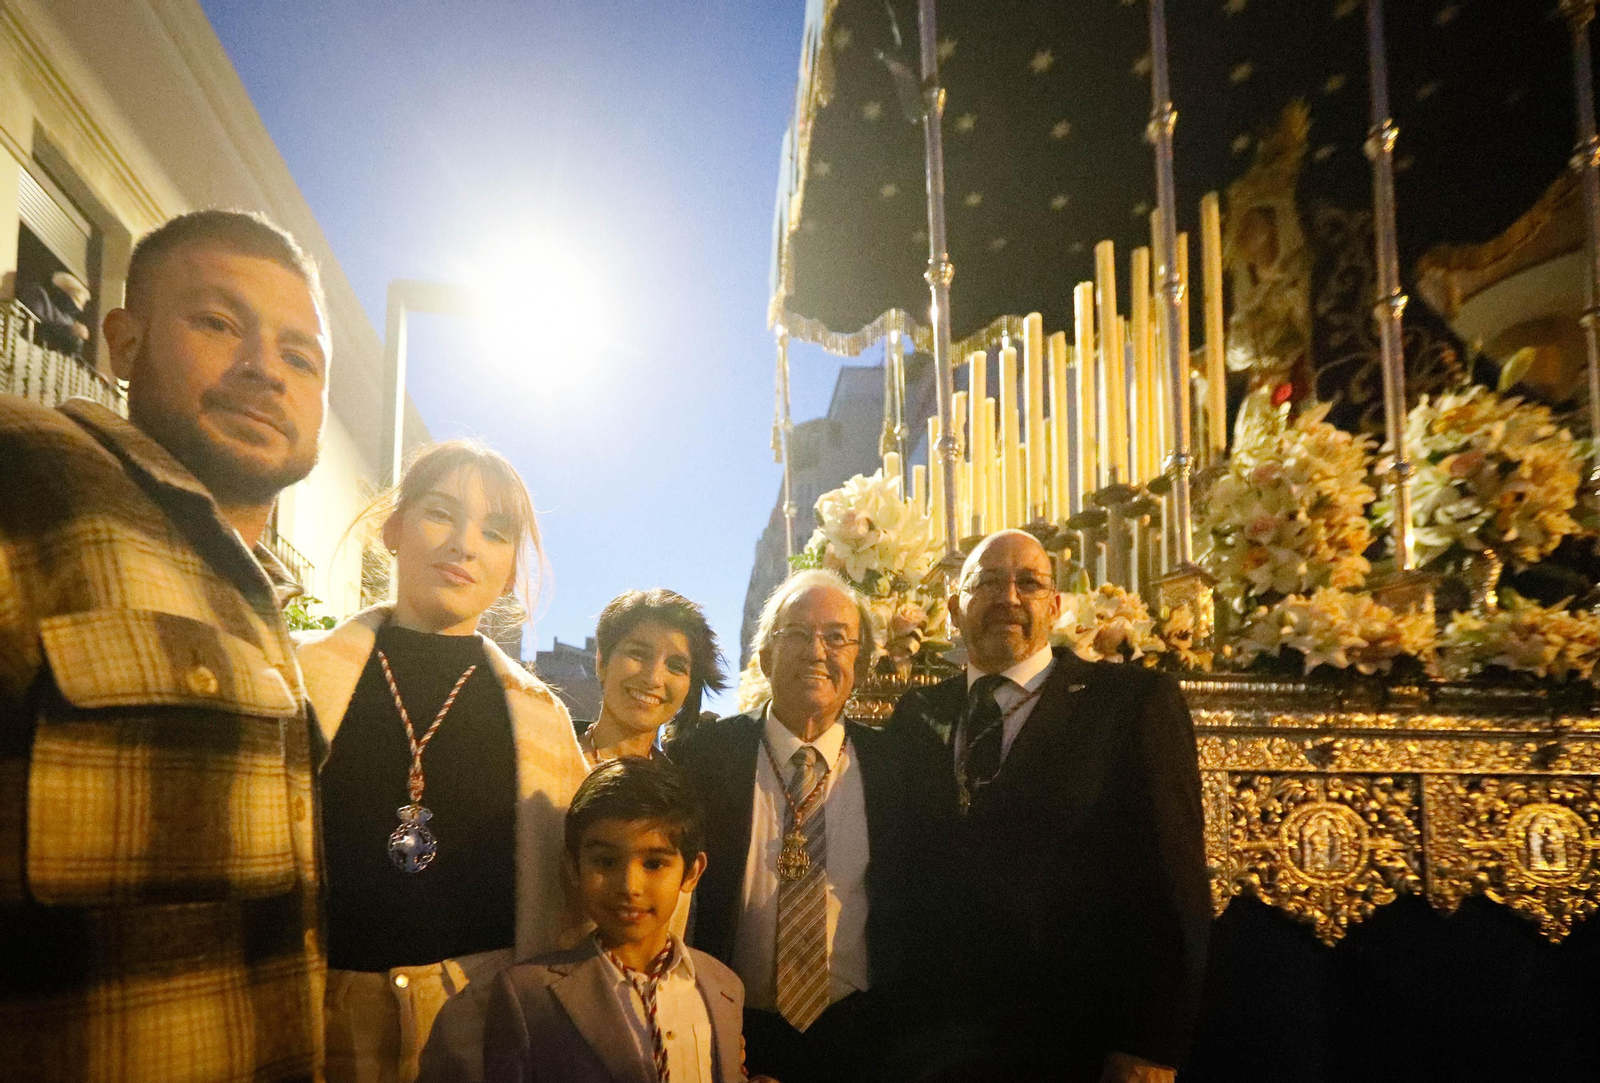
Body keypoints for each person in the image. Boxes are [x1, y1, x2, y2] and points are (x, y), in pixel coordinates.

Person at [0, 209, 331, 1080]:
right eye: (219, 323)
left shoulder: (269, 604)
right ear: (122, 339)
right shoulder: (25, 472)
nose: (266, 369)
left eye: (301, 357)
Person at [295, 440, 592, 1083]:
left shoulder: (542, 719)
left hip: (483, 1026)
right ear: (393, 528)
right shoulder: (298, 676)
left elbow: (571, 902)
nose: (465, 545)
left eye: (495, 531)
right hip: (316, 1017)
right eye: (440, 513)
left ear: (511, 568)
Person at [887, 529, 1210, 1083]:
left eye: (1029, 583)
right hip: (934, 1043)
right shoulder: (917, 715)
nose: (1008, 597)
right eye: (987, 582)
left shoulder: (1130, 703)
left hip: (1074, 1039)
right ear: (953, 608)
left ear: (1055, 607)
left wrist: (1150, 1043)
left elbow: (1173, 880)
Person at [670, 569, 950, 1083]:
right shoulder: (700, 760)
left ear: (861, 664)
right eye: (796, 634)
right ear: (764, 656)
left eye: (837, 638)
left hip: (865, 1040)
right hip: (729, 1031)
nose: (816, 651)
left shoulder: (905, 767)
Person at [482, 756, 748, 1083]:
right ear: (573, 867)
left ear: (692, 873)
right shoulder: (526, 996)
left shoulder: (723, 985)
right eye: (605, 861)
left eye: (653, 863)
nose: (628, 887)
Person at [578, 588, 727, 764]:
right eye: (638, 654)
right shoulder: (544, 751)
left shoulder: (683, 789)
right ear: (602, 662)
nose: (653, 678)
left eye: (675, 666)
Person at [19, 269, 92, 359]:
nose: (78, 309)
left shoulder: (67, 319)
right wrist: (71, 327)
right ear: (63, 293)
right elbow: (42, 314)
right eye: (76, 301)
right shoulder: (37, 293)